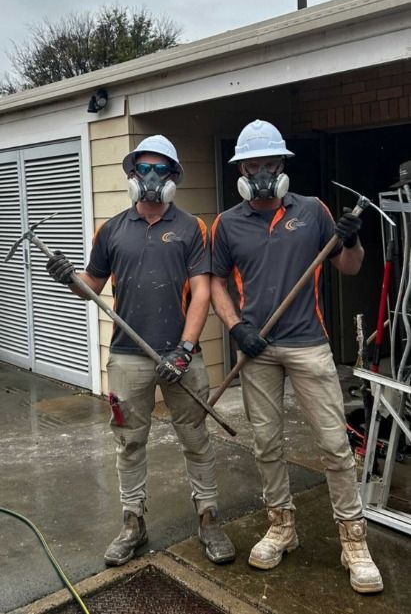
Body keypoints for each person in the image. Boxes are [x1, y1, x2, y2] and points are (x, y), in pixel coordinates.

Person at [210, 119, 383, 594]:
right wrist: (236, 327)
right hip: (257, 349)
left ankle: (354, 541)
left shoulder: (314, 211)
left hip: (309, 343)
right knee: (266, 444)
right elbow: (217, 284)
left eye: (270, 164)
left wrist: (350, 238)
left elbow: (350, 268)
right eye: (252, 165)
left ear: (282, 166)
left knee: (334, 445)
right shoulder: (227, 224)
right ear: (240, 170)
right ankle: (282, 527)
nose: (261, 172)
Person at [46, 134, 235, 567]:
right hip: (128, 356)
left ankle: (208, 517)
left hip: (180, 359)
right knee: (129, 443)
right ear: (132, 175)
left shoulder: (192, 228)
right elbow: (90, 288)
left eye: (160, 170)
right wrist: (67, 276)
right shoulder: (111, 229)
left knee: (196, 439)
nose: (150, 178)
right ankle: (133, 522)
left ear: (173, 178)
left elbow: (203, 293)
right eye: (143, 170)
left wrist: (185, 350)